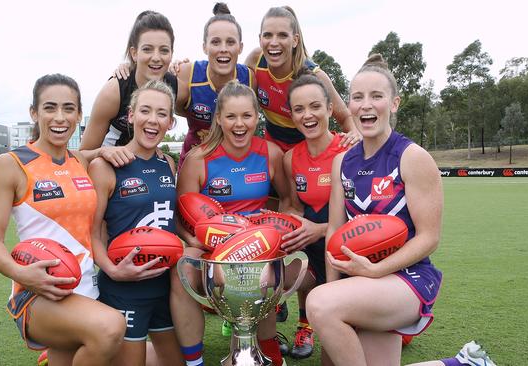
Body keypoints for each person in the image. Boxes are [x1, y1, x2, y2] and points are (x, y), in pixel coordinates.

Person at [305, 54, 444, 366]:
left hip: (408, 280)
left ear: (394, 104)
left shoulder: (412, 157)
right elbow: (334, 231)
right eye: (357, 97)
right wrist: (335, 287)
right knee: (327, 306)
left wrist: (375, 271)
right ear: (349, 105)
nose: (365, 105)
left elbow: (429, 237)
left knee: (319, 304)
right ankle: (462, 362)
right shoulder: (342, 161)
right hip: (364, 282)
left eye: (376, 96)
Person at [0, 73, 125, 365]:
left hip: (87, 290)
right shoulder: (11, 164)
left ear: (79, 114)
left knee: (151, 357)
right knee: (111, 327)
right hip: (37, 293)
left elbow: (90, 153)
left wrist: (104, 150)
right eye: (50, 108)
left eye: (68, 108)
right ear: (34, 112)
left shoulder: (80, 161)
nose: (59, 117)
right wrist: (21, 274)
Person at [172, 80, 293, 366]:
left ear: (256, 117)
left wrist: (279, 232)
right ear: (218, 119)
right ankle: (194, 360)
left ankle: (266, 347)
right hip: (210, 246)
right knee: (181, 273)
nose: (239, 124)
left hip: (256, 245)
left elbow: (289, 201)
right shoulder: (198, 158)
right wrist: (193, 241)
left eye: (246, 116)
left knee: (264, 270)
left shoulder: (271, 154)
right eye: (231, 116)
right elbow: (181, 215)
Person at [89, 80, 184, 366]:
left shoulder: (167, 163)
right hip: (123, 291)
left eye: (161, 113)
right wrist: (113, 271)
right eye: (145, 111)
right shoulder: (104, 166)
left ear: (170, 122)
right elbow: (91, 233)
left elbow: (172, 220)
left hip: (165, 288)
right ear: (131, 115)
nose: (152, 120)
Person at [278, 72, 349, 360]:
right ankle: (302, 326)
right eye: (298, 109)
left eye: (315, 106)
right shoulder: (290, 158)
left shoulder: (349, 149)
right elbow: (295, 205)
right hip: (310, 254)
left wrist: (320, 230)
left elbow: (365, 217)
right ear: (292, 115)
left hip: (345, 253)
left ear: (330, 109)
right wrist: (283, 225)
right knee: (273, 281)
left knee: (342, 348)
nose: (307, 115)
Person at [245, 6, 360, 152]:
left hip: (308, 150)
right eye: (268, 35)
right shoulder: (255, 60)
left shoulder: (314, 77)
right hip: (273, 147)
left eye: (282, 35)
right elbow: (238, 102)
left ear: (295, 40)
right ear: (260, 39)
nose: (274, 42)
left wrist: (356, 136)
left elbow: (345, 117)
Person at [80, 10, 185, 167]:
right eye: (147, 49)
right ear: (134, 53)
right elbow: (81, 155)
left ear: (171, 54)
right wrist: (103, 152)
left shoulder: (177, 87)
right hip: (110, 170)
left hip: (146, 168)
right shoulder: (114, 91)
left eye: (164, 50)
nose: (156, 57)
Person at [175, 2, 254, 167]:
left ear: (240, 47)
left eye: (230, 42)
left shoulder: (250, 78)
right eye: (216, 42)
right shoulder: (187, 74)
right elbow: (170, 107)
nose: (223, 49)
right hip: (194, 163)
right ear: (205, 47)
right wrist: (126, 66)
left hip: (236, 166)